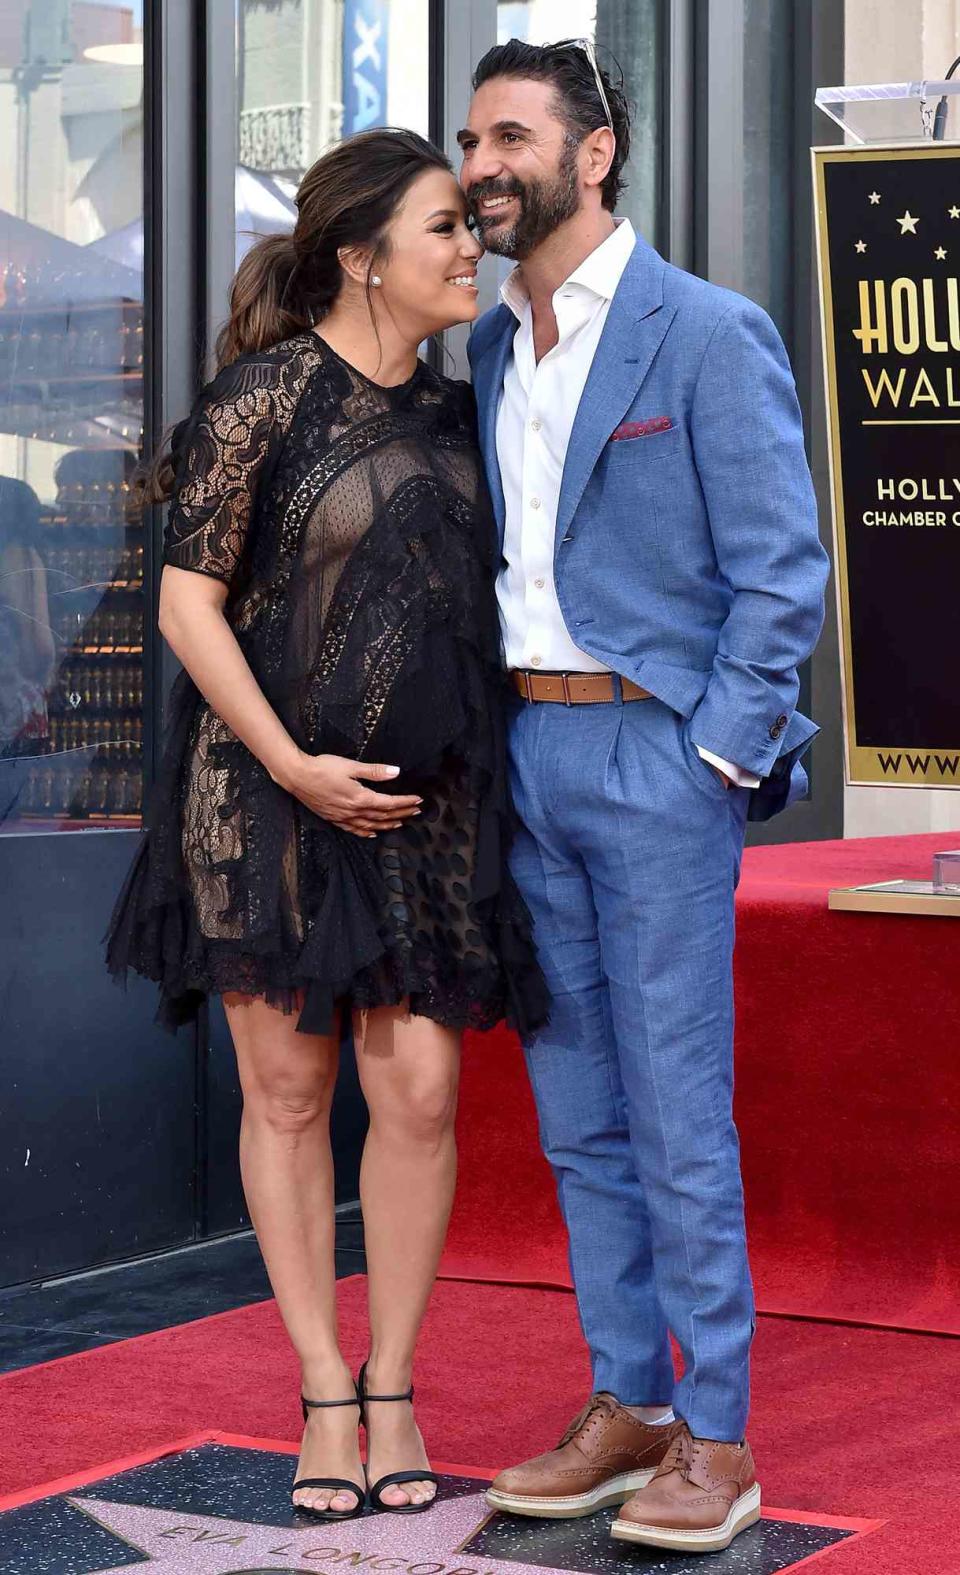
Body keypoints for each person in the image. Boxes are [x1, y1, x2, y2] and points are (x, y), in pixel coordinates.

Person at [106, 127, 548, 1522]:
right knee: (289, 1097)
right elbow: (187, 604)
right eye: (444, 228)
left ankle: (397, 1380)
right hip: (266, 799)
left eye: (471, 228)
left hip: (428, 807)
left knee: (418, 1092)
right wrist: (291, 763)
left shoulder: (470, 408)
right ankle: (321, 1388)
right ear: (362, 257)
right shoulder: (262, 400)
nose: (471, 248)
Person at [459, 39, 830, 1556]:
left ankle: (721, 1435)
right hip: (530, 761)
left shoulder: (704, 331)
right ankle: (629, 1405)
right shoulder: (490, 347)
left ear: (593, 151)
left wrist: (718, 755)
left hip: (655, 758)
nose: (479, 165)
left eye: (508, 136)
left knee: (679, 1113)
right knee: (577, 1116)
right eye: (470, 140)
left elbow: (782, 572)